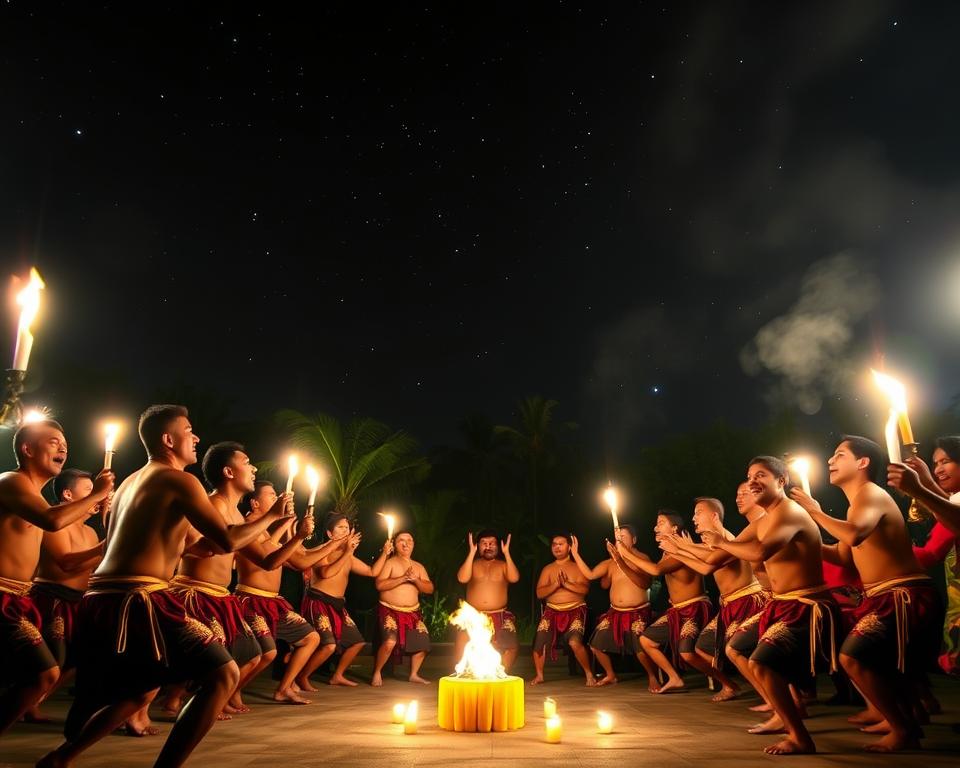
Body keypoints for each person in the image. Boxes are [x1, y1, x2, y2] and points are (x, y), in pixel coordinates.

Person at [39, 404, 290, 768]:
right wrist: (271, 517)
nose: (197, 437)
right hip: (138, 598)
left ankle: (61, 758)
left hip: (107, 596)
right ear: (168, 439)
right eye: (189, 430)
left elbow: (193, 546)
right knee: (224, 674)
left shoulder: (131, 481)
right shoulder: (179, 480)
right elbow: (225, 540)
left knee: (140, 692)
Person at [791, 436, 938, 752]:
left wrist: (814, 512)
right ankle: (903, 719)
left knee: (852, 657)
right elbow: (845, 554)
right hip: (885, 596)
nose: (830, 461)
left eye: (839, 454)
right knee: (873, 661)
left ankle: (903, 729)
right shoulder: (858, 502)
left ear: (863, 462)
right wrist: (805, 543)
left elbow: (854, 533)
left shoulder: (870, 494)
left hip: (902, 594)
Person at [704, 455, 838, 756]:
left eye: (760, 475)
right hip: (780, 604)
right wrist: (687, 544)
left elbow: (759, 552)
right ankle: (786, 715)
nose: (751, 482)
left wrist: (720, 540)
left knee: (761, 662)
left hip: (806, 604)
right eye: (749, 475)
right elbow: (713, 561)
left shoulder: (788, 512)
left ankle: (799, 736)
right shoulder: (767, 519)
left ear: (781, 481)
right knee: (740, 649)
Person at [0, 420, 113, 738]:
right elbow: (53, 522)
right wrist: (100, 493)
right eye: (52, 442)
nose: (62, 448)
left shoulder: (34, 497)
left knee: (44, 672)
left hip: (18, 600)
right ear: (27, 449)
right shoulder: (11, 481)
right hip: (5, 596)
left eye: (64, 443)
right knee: (44, 672)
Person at [162, 442, 280, 717]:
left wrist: (291, 531)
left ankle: (199, 700)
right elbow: (208, 544)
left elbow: (267, 560)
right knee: (206, 660)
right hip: (195, 593)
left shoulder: (237, 514)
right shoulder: (210, 505)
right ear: (228, 472)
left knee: (251, 655)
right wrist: (271, 518)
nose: (254, 468)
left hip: (219, 595)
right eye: (247, 462)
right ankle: (175, 701)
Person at [233, 480, 338, 704]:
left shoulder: (267, 535)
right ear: (255, 502)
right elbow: (268, 560)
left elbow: (297, 561)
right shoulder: (245, 528)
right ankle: (229, 693)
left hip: (273, 602)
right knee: (266, 653)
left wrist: (331, 543)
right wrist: (296, 534)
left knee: (310, 637)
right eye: (271, 495)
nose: (277, 497)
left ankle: (283, 689)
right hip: (251, 599)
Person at [658, 497, 767, 702]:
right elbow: (706, 561)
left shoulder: (727, 539)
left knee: (737, 651)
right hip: (728, 605)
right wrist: (681, 548)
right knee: (700, 649)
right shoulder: (712, 543)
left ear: (714, 516)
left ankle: (771, 698)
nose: (694, 518)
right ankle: (731, 686)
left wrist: (679, 550)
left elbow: (707, 565)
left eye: (698, 513)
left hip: (748, 602)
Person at [26, 470, 105, 726]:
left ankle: (33, 702)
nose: (97, 497)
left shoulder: (91, 533)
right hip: (52, 597)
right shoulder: (55, 523)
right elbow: (66, 564)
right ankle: (28, 702)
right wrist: (107, 545)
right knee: (56, 657)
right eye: (90, 491)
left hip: (78, 600)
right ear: (67, 495)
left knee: (77, 659)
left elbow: (92, 567)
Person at [616, 512, 715, 694]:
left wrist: (627, 554)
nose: (655, 527)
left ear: (675, 528)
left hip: (694, 607)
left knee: (688, 653)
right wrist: (621, 559)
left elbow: (656, 570)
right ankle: (674, 678)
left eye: (660, 523)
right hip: (676, 610)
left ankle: (724, 680)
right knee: (646, 641)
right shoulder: (666, 552)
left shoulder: (682, 550)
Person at [297, 513, 393, 687]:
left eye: (347, 527)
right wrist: (348, 552)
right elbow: (326, 573)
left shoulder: (348, 556)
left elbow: (372, 572)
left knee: (357, 642)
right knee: (328, 646)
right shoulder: (322, 551)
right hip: (319, 603)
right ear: (329, 533)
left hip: (338, 606)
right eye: (340, 527)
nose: (345, 530)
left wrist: (385, 553)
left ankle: (338, 675)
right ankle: (302, 676)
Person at [570, 525, 660, 689]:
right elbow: (590, 574)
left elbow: (645, 583)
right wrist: (575, 554)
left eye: (623, 536)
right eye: (617, 537)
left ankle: (652, 676)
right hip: (615, 613)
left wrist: (623, 559)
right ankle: (611, 674)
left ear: (634, 540)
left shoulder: (642, 558)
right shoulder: (610, 563)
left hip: (638, 611)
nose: (619, 539)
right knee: (596, 644)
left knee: (640, 646)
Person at [371, 531, 434, 686]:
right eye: (401, 540)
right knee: (390, 642)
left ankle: (413, 674)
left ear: (413, 544)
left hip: (412, 612)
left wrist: (416, 580)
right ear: (395, 544)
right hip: (389, 609)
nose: (406, 543)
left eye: (409, 540)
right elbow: (380, 585)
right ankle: (377, 671)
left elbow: (429, 588)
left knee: (423, 643)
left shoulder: (418, 567)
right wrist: (403, 578)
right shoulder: (390, 563)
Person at [530, 534, 594, 686]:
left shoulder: (577, 566)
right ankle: (539, 675)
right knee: (540, 639)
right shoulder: (548, 569)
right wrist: (555, 585)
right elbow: (540, 593)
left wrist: (566, 585)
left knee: (574, 642)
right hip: (552, 611)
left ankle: (589, 674)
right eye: (554, 544)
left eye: (561, 544)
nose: (557, 547)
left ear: (569, 547)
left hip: (575, 610)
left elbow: (584, 590)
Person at [454, 529, 520, 671]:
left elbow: (514, 578)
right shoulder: (473, 564)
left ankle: (501, 673)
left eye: (492, 543)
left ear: (498, 546)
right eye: (484, 543)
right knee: (462, 643)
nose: (488, 546)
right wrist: (471, 553)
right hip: (474, 615)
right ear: (478, 546)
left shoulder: (503, 565)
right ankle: (465, 673)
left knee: (511, 647)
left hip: (500, 614)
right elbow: (462, 578)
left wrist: (507, 553)